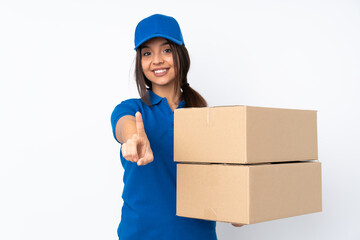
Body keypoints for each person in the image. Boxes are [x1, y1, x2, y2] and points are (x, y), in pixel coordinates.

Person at [111, 13, 242, 240]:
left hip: (196, 235)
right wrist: (133, 139)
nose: (157, 60)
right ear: (140, 63)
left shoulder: (205, 117)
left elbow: (223, 185)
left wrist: (238, 207)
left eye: (167, 50)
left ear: (180, 54)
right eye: (147, 53)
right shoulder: (132, 110)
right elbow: (124, 126)